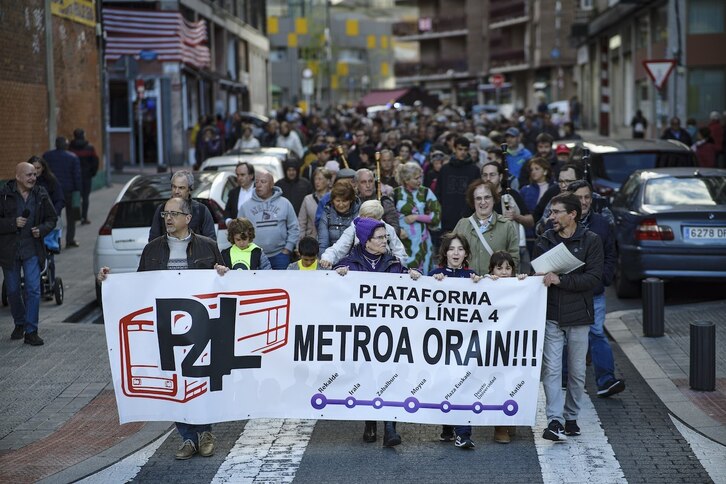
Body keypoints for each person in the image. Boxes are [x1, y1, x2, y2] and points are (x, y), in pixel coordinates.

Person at [98, 196, 225, 459]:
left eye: (174, 214)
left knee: (200, 379)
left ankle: (206, 432)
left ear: (188, 218)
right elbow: (139, 285)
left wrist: (223, 273)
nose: (168, 218)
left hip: (200, 327)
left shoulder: (208, 246)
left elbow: (222, 286)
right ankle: (188, 437)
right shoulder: (152, 249)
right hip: (167, 328)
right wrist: (109, 281)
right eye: (164, 214)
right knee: (176, 383)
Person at [334, 217, 421, 447]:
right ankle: (370, 422)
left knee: (390, 376)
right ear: (366, 240)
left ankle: (390, 427)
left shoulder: (393, 263)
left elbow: (407, 288)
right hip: (361, 335)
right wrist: (336, 275)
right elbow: (331, 293)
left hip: (388, 334)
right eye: (380, 237)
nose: (386, 241)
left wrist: (413, 276)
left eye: (386, 237)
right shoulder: (348, 264)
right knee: (367, 376)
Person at [533, 192, 604, 442]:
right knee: (551, 369)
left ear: (572, 214)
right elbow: (535, 272)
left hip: (579, 315)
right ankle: (555, 420)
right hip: (551, 313)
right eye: (551, 212)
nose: (551, 216)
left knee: (576, 372)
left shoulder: (591, 240)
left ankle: (571, 417)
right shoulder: (544, 239)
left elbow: (595, 278)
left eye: (556, 212)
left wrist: (561, 280)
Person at [566, 180, 624, 398]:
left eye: (587, 197)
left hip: (594, 291)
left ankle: (606, 379)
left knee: (597, 332)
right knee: (565, 334)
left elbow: (611, 254)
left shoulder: (601, 223)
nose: (584, 202)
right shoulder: (561, 222)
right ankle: (564, 376)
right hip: (569, 290)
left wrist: (604, 278)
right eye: (579, 198)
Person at [429, 233, 482, 449]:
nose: (456, 253)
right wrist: (432, 282)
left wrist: (485, 283)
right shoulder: (435, 274)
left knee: (463, 383)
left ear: (466, 254)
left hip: (465, 341)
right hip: (439, 342)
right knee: (445, 383)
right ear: (445, 253)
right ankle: (448, 425)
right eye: (452, 249)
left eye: (460, 249)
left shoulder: (473, 277)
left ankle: (464, 433)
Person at [0, 162, 58, 346]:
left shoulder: (40, 194)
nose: (33, 178)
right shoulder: (4, 195)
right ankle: (20, 322)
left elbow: (52, 218)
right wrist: (12, 223)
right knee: (13, 290)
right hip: (9, 251)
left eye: (34, 174)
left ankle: (31, 331)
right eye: (29, 175)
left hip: (32, 249)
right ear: (18, 177)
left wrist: (41, 229)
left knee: (33, 289)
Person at [453, 180, 519, 276]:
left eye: (487, 197)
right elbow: (449, 255)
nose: (483, 202)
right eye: (478, 198)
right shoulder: (462, 225)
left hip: (496, 286)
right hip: (467, 286)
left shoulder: (507, 226)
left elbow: (514, 260)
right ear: (473, 201)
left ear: (494, 199)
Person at [238, 170, 300, 270]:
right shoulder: (245, 207)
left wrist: (288, 249)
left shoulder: (285, 203)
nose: (258, 185)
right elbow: (238, 230)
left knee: (280, 284)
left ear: (271, 184)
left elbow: (294, 227)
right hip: (254, 255)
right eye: (257, 182)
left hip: (280, 255)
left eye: (263, 182)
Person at [319, 199, 407, 268]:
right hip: (360, 269)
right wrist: (327, 259)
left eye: (375, 218)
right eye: (366, 217)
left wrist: (396, 268)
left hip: (383, 270)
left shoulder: (389, 229)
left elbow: (400, 253)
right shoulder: (353, 228)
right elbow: (339, 248)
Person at [393, 162, 441, 274]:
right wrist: (398, 230)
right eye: (416, 178)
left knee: (423, 273)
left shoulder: (425, 192)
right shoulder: (396, 193)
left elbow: (436, 216)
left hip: (421, 242)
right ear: (406, 179)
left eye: (420, 177)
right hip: (402, 242)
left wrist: (417, 217)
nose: (420, 180)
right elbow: (389, 217)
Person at [148, 170, 216, 241]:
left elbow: (211, 243)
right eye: (174, 187)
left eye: (181, 188)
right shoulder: (162, 209)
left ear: (190, 190)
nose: (176, 191)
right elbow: (153, 241)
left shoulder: (201, 210)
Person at [436, 136, 480, 232]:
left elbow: (476, 195)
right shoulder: (445, 169)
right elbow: (438, 192)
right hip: (446, 217)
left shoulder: (474, 170)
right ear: (454, 148)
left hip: (467, 218)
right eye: (460, 149)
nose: (463, 152)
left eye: (465, 149)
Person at [43, 136, 81, 248]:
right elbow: (77, 176)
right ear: (66, 145)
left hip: (53, 191)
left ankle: (56, 241)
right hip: (69, 190)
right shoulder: (73, 157)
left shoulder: (47, 156)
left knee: (55, 216)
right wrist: (78, 191)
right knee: (71, 217)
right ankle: (70, 240)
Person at [318, 180, 360, 255]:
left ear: (351, 200)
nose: (341, 204)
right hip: (330, 258)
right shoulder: (327, 214)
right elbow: (323, 243)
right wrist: (324, 260)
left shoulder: (359, 214)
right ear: (332, 200)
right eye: (337, 201)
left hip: (354, 259)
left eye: (344, 201)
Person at [353, 168, 400, 233]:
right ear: (356, 184)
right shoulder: (353, 203)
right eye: (363, 182)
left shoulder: (384, 201)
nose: (368, 185)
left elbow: (395, 227)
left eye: (370, 181)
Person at [68, 128, 99, 225]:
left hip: (73, 176)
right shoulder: (89, 147)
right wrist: (92, 172)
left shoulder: (70, 148)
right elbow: (95, 161)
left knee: (74, 196)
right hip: (86, 176)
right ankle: (84, 217)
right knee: (85, 197)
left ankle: (73, 216)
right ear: (83, 135)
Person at [298, 167, 332, 240]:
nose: (317, 182)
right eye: (315, 179)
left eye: (320, 179)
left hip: (331, 240)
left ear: (328, 181)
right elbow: (301, 223)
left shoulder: (334, 198)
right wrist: (299, 244)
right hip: (312, 240)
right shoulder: (308, 199)